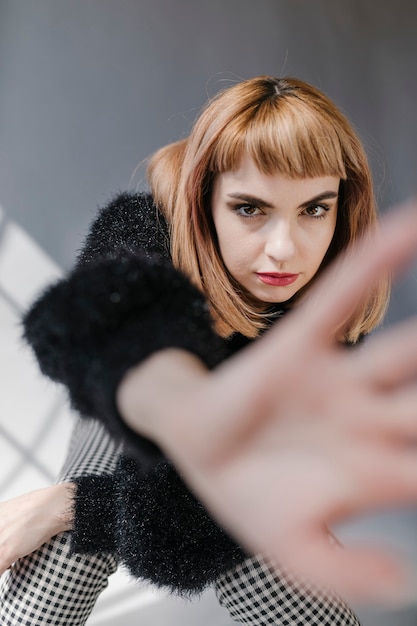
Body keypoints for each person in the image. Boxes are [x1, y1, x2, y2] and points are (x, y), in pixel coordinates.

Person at [1, 75, 417, 626]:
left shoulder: (327, 297)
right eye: (250, 209)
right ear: (204, 199)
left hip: (223, 483)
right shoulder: (143, 230)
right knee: (92, 530)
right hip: (123, 419)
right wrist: (177, 403)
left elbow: (192, 526)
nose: (284, 249)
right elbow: (103, 329)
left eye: (315, 209)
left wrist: (71, 506)